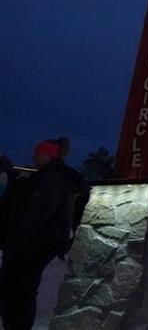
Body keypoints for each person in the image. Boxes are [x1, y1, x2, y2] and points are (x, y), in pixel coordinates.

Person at [0, 138, 88, 330]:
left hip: (32, 245)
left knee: (19, 292)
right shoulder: (49, 178)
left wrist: (14, 244)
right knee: (19, 291)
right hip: (36, 244)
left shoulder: (51, 180)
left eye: (36, 152)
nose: (33, 156)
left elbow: (35, 216)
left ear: (47, 155)